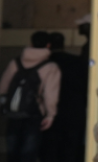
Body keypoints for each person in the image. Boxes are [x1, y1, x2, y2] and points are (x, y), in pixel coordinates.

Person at [1, 32, 61, 162]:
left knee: (12, 152)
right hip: (34, 114)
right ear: (48, 45)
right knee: (28, 153)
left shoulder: (15, 63)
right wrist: (51, 115)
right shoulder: (51, 67)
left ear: (31, 44)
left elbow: (3, 88)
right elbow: (50, 94)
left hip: (14, 113)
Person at [43, 32, 87, 162]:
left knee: (50, 147)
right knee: (71, 147)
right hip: (74, 109)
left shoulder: (45, 63)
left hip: (50, 110)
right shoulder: (76, 61)